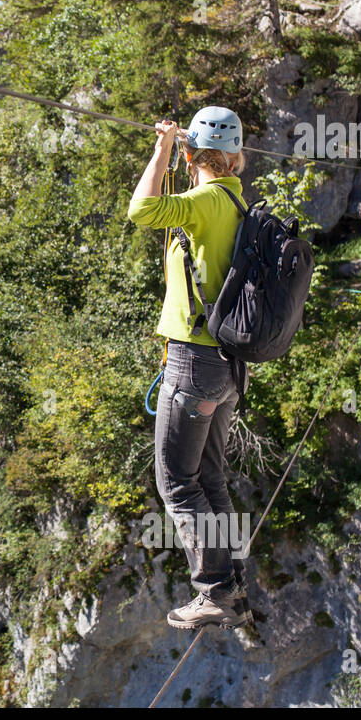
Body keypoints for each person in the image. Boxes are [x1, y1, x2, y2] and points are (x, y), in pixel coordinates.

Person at [128, 105, 251, 630]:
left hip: (194, 361)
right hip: (227, 367)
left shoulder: (203, 200)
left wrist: (160, 152)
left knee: (177, 482)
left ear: (193, 152)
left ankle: (216, 590)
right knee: (210, 477)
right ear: (235, 154)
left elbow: (141, 211)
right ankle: (232, 582)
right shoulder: (236, 199)